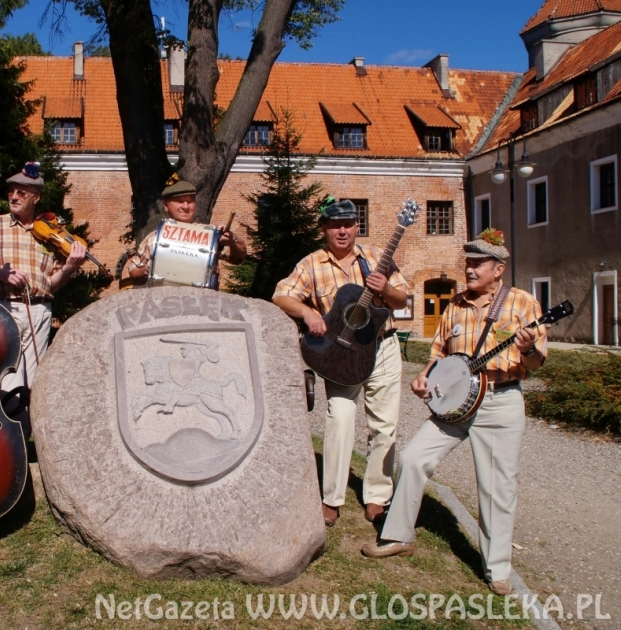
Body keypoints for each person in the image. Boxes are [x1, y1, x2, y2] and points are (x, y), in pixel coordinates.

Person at [361, 232, 546, 597]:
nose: (470, 268)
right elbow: (438, 352)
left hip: (498, 401)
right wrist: (424, 377)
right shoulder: (455, 304)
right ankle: (399, 536)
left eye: (478, 263)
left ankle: (497, 569)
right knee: (412, 458)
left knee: (496, 488)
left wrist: (526, 351)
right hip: (454, 404)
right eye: (468, 261)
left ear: (499, 269)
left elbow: (537, 362)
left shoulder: (523, 303)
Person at [272, 198, 409, 527]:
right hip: (341, 354)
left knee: (384, 427)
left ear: (357, 227)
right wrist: (307, 312)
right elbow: (280, 294)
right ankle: (331, 498)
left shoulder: (377, 258)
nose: (342, 230)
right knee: (340, 418)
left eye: (348, 224)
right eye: (335, 225)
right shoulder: (312, 263)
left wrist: (386, 288)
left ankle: (377, 497)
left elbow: (403, 299)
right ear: (325, 229)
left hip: (383, 347)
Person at [0, 162, 87, 410]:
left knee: (32, 380)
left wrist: (69, 267)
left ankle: (22, 437)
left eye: (22, 193)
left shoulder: (48, 233)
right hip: (2, 308)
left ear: (36, 197)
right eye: (11, 192)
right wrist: (0, 274)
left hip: (39, 310)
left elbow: (51, 284)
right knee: (3, 377)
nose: (14, 197)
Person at [126, 175, 247, 284]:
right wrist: (145, 271)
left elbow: (238, 258)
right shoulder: (155, 238)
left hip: (201, 301)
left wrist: (233, 240)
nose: (185, 206)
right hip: (165, 299)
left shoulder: (209, 235)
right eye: (179, 201)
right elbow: (134, 271)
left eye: (190, 201)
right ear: (166, 205)